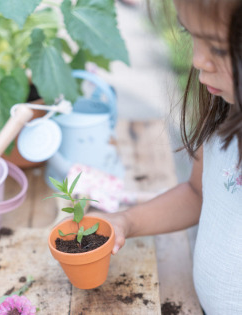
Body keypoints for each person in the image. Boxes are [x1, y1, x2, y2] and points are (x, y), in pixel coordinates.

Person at [93, 0, 242, 314]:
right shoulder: (224, 118)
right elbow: (198, 193)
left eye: (218, 49)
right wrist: (126, 221)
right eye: (191, 35)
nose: (198, 60)